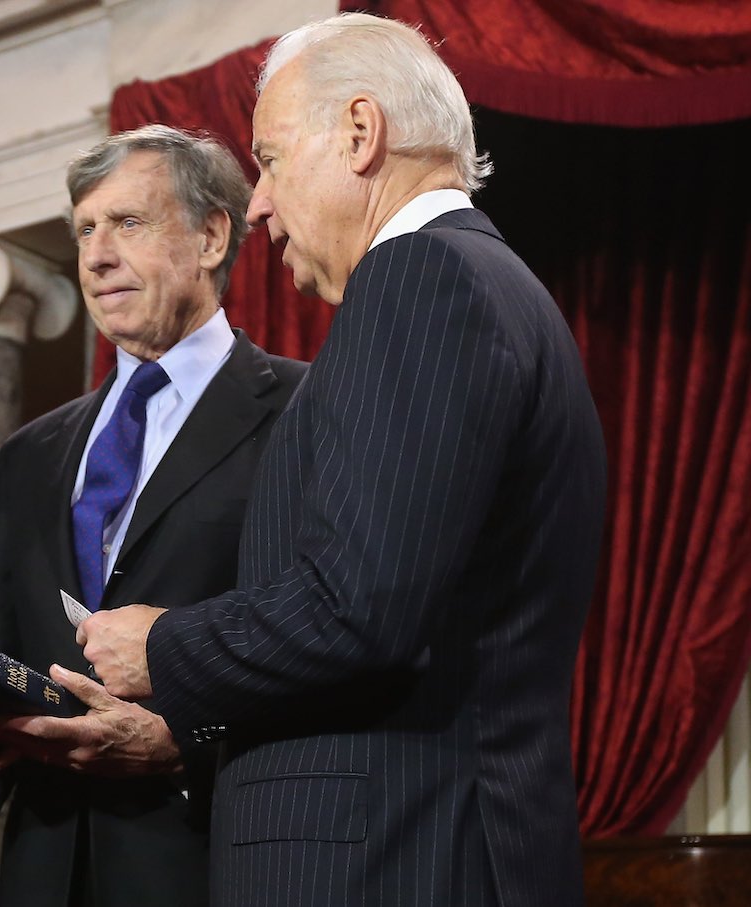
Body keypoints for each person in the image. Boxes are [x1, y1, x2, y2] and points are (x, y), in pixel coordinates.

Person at [46, 13, 608, 907]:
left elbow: (363, 609)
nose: (260, 202)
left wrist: (165, 642)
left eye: (269, 159)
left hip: (393, 860)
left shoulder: (422, 279)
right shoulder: (488, 282)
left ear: (359, 133)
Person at [0, 125, 306, 907]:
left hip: (211, 866)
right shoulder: (28, 454)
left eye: (127, 223)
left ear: (209, 235)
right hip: (46, 870)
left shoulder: (307, 411)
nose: (96, 255)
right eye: (85, 229)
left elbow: (325, 640)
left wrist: (179, 747)